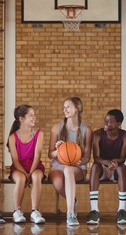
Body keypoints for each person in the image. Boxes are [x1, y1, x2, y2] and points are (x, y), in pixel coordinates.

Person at [48, 97, 93, 226]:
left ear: (77, 109)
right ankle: (73, 201)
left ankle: (70, 214)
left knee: (68, 170)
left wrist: (79, 161)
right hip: (57, 165)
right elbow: (50, 155)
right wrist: (58, 150)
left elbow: (87, 157)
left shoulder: (87, 130)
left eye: (68, 106)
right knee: (58, 183)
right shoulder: (56, 128)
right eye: (64, 107)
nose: (65, 109)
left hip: (76, 167)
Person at [87, 109, 126, 225]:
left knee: (123, 167)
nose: (105, 123)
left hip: (116, 169)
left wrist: (116, 162)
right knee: (95, 166)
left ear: (118, 124)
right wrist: (107, 163)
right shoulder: (97, 134)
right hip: (102, 169)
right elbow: (96, 157)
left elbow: (123, 158)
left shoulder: (125, 135)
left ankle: (121, 211)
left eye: (109, 121)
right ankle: (94, 210)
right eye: (105, 120)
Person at [7, 105, 46, 224]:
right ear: (21, 119)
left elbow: (37, 156)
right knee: (20, 178)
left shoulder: (39, 134)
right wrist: (25, 174)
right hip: (19, 168)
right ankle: (17, 211)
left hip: (35, 166)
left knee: (37, 176)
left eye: (34, 115)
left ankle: (35, 211)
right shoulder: (12, 137)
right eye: (31, 115)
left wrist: (30, 173)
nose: (34, 118)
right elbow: (15, 160)